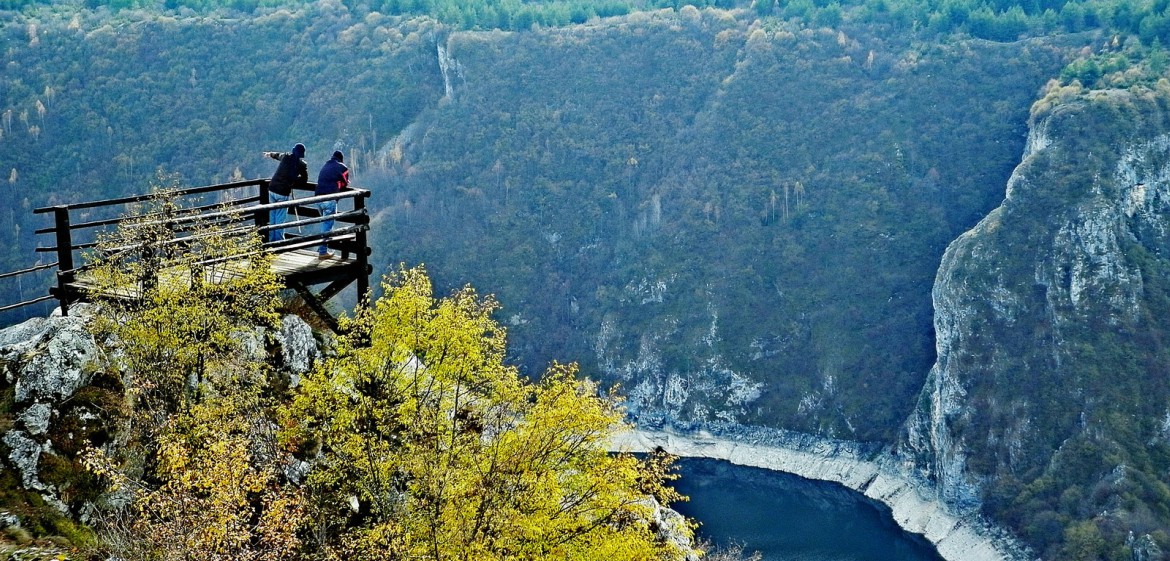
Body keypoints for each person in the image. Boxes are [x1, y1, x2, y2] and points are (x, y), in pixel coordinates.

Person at [262, 143, 308, 243]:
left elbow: (277, 155)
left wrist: (269, 154)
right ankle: (279, 242)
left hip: (272, 188)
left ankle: (271, 241)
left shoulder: (286, 157)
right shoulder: (301, 164)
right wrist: (293, 181)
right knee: (280, 218)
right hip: (283, 192)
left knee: (273, 216)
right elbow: (304, 180)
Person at [314, 150, 349, 259]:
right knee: (327, 226)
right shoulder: (342, 167)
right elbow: (345, 183)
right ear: (341, 159)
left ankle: (321, 248)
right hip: (329, 199)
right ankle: (323, 252)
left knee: (325, 224)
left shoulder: (326, 165)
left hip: (318, 198)